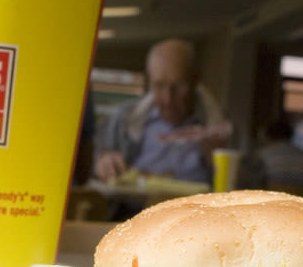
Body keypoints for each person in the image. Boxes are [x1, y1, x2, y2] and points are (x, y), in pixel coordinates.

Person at [93, 38, 231, 185]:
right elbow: (93, 159)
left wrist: (219, 163)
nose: (167, 99)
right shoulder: (124, 118)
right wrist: (103, 160)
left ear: (195, 81)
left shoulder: (222, 128)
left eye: (177, 86)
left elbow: (247, 187)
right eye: (159, 86)